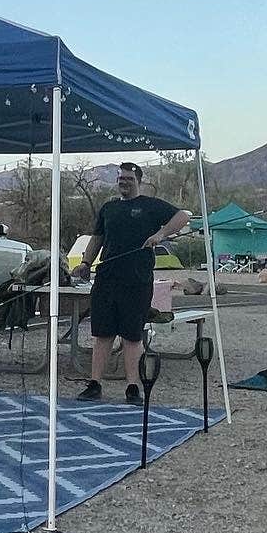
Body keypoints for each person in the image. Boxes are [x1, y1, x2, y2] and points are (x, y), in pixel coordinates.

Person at [74, 163, 191, 403]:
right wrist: (86, 263)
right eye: (120, 178)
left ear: (138, 180)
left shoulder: (150, 205)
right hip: (106, 279)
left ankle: (132, 388)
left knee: (132, 336)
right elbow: (97, 238)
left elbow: (183, 216)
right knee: (103, 334)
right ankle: (95, 384)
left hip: (137, 281)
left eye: (128, 178)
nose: (123, 182)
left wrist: (161, 234)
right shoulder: (109, 208)